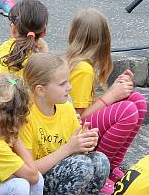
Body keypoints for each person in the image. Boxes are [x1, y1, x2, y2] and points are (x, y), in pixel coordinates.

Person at [66, 8, 147, 193]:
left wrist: (116, 90)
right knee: (127, 110)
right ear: (103, 41)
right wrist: (111, 96)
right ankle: (104, 169)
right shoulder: (83, 69)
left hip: (79, 124)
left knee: (137, 100)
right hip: (74, 130)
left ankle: (113, 167)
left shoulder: (81, 63)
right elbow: (76, 118)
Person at [20, 52, 109, 195]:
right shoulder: (25, 117)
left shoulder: (66, 107)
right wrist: (69, 149)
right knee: (81, 166)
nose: (70, 87)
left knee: (101, 161)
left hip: (62, 169)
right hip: (36, 182)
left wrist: (84, 142)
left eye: (68, 81)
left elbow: (75, 151)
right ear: (40, 90)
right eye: (62, 83)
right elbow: (29, 171)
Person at [0, 0, 49, 84]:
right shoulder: (36, 64)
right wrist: (44, 54)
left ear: (13, 29)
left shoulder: (6, 46)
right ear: (44, 32)